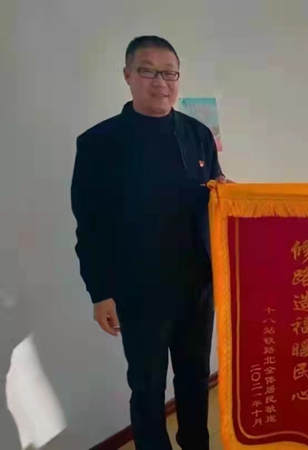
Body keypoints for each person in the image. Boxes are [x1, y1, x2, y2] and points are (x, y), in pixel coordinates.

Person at [71, 36, 226, 450]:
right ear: (128, 76)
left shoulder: (197, 134)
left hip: (196, 286)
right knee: (147, 386)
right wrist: (100, 292)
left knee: (195, 379)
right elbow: (89, 226)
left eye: (169, 73)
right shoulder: (98, 143)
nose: (161, 82)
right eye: (148, 71)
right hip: (138, 290)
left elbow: (213, 192)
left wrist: (226, 193)